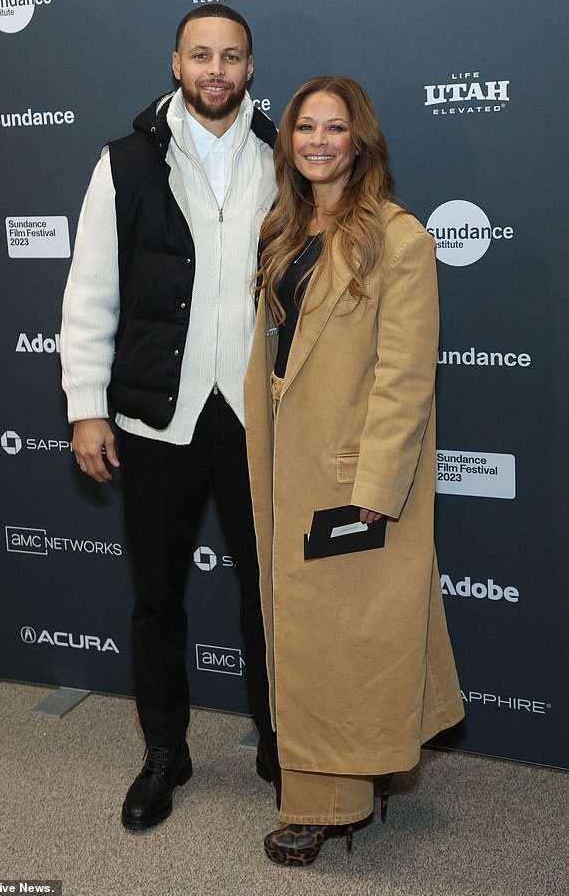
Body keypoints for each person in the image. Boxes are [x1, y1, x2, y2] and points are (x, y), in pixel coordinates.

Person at [60, 6, 279, 832]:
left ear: (251, 68)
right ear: (176, 63)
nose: (215, 69)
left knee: (270, 595)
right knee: (156, 596)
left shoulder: (284, 153)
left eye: (231, 56)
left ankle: (280, 740)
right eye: (201, 55)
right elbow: (90, 291)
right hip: (158, 416)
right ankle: (164, 750)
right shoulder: (123, 161)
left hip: (260, 414)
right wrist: (87, 407)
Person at [244, 76, 464, 866]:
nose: (318, 141)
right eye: (306, 128)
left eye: (335, 129)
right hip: (282, 461)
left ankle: (326, 804)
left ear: (359, 141)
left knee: (341, 644)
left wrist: (374, 488)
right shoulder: (285, 226)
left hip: (348, 476)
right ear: (289, 140)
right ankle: (326, 791)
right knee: (307, 639)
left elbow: (407, 378)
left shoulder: (399, 237)